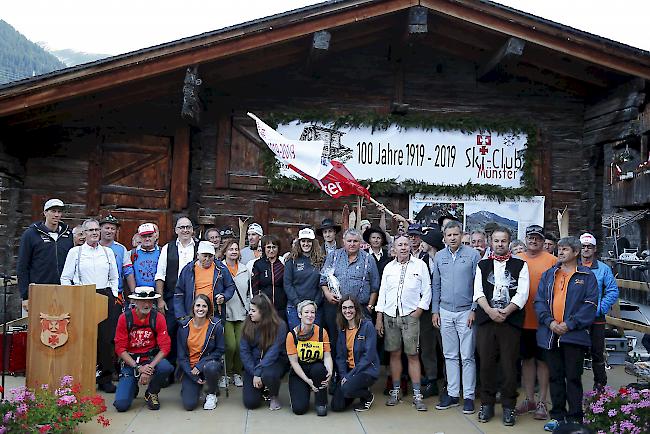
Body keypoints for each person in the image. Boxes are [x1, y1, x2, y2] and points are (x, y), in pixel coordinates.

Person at [534, 237, 598, 431]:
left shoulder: (587, 276)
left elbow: (590, 305)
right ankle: (558, 417)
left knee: (573, 377)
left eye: (564, 249)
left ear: (576, 252)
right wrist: (550, 322)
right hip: (550, 334)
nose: (560, 253)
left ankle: (576, 418)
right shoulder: (549, 275)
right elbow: (539, 302)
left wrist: (569, 324)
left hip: (574, 336)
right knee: (555, 377)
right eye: (559, 249)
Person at [473, 226, 529, 426]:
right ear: (490, 242)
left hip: (510, 322)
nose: (499, 244)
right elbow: (478, 292)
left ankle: (508, 406)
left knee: (508, 365)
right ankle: (487, 404)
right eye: (496, 241)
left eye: (503, 241)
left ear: (509, 242)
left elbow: (522, 293)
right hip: (487, 320)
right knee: (486, 363)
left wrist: (506, 311)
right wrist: (489, 311)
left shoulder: (520, 265)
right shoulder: (482, 265)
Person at [60, 218, 119, 393]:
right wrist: (72, 295)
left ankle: (105, 378)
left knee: (106, 339)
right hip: (82, 295)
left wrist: (113, 294)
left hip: (104, 296)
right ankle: (81, 377)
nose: (94, 233)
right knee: (82, 339)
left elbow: (114, 277)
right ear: (83, 233)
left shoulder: (107, 252)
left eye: (96, 230)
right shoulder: (75, 253)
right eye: (90, 230)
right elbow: (65, 277)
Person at [376, 235, 431, 411]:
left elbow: (427, 290)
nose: (403, 248)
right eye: (400, 245)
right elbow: (382, 291)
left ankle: (417, 394)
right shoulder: (388, 268)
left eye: (406, 244)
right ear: (394, 248)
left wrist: (419, 310)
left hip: (410, 316)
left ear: (410, 247)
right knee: (394, 353)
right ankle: (396, 390)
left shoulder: (420, 265)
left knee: (413, 355)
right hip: (390, 315)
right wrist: (379, 316)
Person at [431, 220, 481, 414]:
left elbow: (479, 285)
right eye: (449, 235)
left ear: (462, 235)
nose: (452, 238)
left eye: (456, 234)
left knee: (467, 356)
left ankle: (468, 396)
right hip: (445, 311)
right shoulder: (440, 257)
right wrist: (435, 310)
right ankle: (452, 394)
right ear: (444, 237)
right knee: (450, 355)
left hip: (466, 312)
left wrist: (474, 309)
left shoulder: (473, 255)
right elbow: (436, 285)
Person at [320, 228, 380, 377]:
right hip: (336, 307)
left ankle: (357, 375)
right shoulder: (333, 256)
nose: (352, 244)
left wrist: (370, 306)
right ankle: (336, 375)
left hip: (359, 309)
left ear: (360, 243)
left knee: (358, 344)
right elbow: (323, 280)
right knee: (337, 342)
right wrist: (327, 294)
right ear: (343, 242)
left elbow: (375, 286)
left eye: (355, 241)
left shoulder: (368, 259)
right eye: (349, 241)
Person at [517, 225, 557, 420]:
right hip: (522, 319)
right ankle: (529, 398)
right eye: (530, 238)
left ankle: (542, 401)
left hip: (544, 320)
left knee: (543, 362)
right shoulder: (517, 259)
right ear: (525, 239)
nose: (533, 241)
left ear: (543, 241)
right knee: (526, 360)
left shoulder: (553, 261)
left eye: (537, 238)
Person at [113, 287, 173, 412]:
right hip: (131, 362)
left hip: (150, 359)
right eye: (143, 301)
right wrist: (137, 368)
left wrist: (149, 368)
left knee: (166, 367)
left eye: (150, 301)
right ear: (134, 301)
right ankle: (132, 384)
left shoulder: (158, 317)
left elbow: (165, 347)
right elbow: (120, 349)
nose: (147, 304)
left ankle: (151, 392)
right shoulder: (124, 318)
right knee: (121, 405)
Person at [17, 198, 74, 314]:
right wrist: (25, 296)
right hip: (38, 291)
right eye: (53, 211)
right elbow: (22, 266)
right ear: (45, 213)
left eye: (59, 211)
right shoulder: (31, 234)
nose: (57, 215)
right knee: (37, 328)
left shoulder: (67, 234)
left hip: (63, 290)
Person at [155, 216, 198, 367]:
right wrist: (160, 300)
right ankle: (170, 369)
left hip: (195, 298)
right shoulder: (168, 247)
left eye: (188, 227)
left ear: (192, 230)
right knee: (170, 331)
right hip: (173, 297)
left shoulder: (199, 247)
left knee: (193, 332)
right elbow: (160, 275)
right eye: (181, 227)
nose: (185, 230)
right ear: (176, 230)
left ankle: (190, 367)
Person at [578, 232, 619, 389]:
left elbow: (613, 291)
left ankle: (600, 385)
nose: (586, 249)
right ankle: (575, 386)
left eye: (590, 247)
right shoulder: (573, 266)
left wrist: (600, 308)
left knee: (597, 351)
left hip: (596, 318)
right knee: (576, 352)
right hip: (576, 317)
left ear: (595, 249)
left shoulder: (603, 269)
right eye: (583, 247)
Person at [240, 293, 288, 411]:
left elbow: (274, 351)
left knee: (269, 374)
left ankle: (273, 395)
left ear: (263, 311)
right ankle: (261, 389)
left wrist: (258, 372)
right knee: (251, 403)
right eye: (250, 310)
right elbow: (244, 352)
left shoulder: (280, 325)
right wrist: (254, 371)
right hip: (253, 364)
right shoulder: (247, 324)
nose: (250, 313)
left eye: (253, 310)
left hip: (273, 363)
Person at [331, 295, 379, 412]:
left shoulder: (367, 326)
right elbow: (340, 357)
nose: (348, 311)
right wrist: (343, 376)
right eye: (344, 308)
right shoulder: (342, 328)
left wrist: (349, 376)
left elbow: (368, 356)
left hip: (366, 370)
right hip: (349, 371)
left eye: (351, 307)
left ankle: (367, 396)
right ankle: (353, 387)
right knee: (336, 406)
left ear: (356, 309)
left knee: (347, 388)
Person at [177, 294, 224, 411]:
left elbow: (220, 350)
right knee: (189, 405)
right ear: (193, 307)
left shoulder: (216, 326)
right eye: (198, 305)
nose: (200, 309)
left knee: (211, 368)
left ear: (209, 309)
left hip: (208, 364)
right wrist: (192, 375)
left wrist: (200, 365)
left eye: (204, 306)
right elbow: (181, 356)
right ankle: (194, 387)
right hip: (190, 368)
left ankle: (211, 393)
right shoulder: (184, 327)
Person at [286, 300, 333, 416]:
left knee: (320, 369)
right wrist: (307, 381)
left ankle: (321, 402)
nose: (310, 315)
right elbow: (294, 363)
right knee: (299, 410)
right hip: (299, 370)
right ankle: (303, 390)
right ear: (299, 315)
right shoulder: (292, 335)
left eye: (312, 312)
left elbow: (327, 356)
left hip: (316, 367)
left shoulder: (322, 332)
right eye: (306, 312)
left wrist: (330, 371)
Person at [173, 241, 235, 322]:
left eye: (210, 256)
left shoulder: (221, 268)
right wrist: (181, 316)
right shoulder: (188, 269)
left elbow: (230, 286)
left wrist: (224, 296)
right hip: (192, 315)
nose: (207, 259)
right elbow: (179, 293)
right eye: (204, 256)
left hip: (214, 314)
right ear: (198, 255)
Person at [418, 228, 445, 398]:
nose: (421, 243)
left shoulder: (445, 259)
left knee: (445, 348)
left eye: (425, 240)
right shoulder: (421, 260)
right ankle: (431, 378)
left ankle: (449, 382)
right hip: (426, 310)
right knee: (427, 346)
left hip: (444, 309)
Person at [221, 240, 250, 388]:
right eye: (230, 249)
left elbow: (248, 292)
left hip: (241, 312)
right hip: (226, 313)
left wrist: (249, 307)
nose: (233, 251)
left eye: (236, 249)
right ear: (224, 251)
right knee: (229, 345)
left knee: (240, 345)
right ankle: (225, 373)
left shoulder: (245, 269)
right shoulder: (220, 269)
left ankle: (237, 372)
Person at [284, 228, 325, 330]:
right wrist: (298, 303)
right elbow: (287, 284)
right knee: (297, 338)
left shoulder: (321, 260)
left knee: (314, 341)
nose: (306, 244)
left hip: (315, 308)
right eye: (303, 241)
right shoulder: (291, 260)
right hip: (295, 307)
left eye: (309, 241)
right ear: (299, 242)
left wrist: (315, 303)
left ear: (313, 243)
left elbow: (322, 284)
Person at [251, 234, 287, 321]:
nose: (271, 250)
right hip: (264, 308)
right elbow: (254, 287)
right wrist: (258, 304)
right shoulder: (258, 264)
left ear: (278, 248)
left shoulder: (282, 264)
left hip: (281, 308)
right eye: (268, 247)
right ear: (264, 248)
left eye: (274, 247)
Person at [99, 214, 132, 301]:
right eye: (107, 228)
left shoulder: (121, 249)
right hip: (96, 292)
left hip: (116, 293)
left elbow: (128, 272)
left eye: (112, 229)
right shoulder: (93, 247)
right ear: (100, 229)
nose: (109, 231)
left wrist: (134, 293)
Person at [128, 223, 161, 290]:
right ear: (139, 237)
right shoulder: (132, 253)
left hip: (157, 295)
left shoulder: (162, 252)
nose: (147, 239)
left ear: (155, 236)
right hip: (138, 294)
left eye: (150, 236)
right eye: (144, 236)